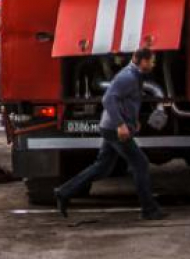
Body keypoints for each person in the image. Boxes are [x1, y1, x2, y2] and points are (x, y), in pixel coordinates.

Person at [55, 47, 167, 220]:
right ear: (142, 60)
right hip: (114, 128)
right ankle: (149, 210)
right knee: (141, 164)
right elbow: (108, 99)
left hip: (112, 126)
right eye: (151, 61)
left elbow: (127, 100)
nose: (153, 64)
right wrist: (121, 124)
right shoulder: (127, 77)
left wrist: (132, 120)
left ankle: (64, 192)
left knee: (102, 167)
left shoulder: (134, 75)